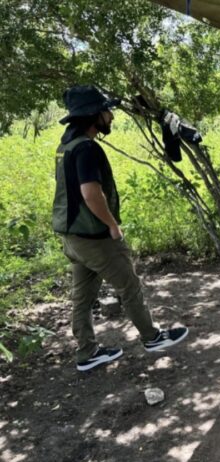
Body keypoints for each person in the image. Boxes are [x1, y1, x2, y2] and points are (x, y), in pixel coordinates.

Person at [52, 85, 188, 372]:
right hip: (94, 238)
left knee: (82, 298)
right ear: (94, 115)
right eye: (107, 111)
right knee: (129, 285)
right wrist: (112, 226)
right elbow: (91, 193)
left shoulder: (65, 147)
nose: (111, 116)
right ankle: (152, 337)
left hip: (71, 237)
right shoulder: (87, 148)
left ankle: (87, 353)